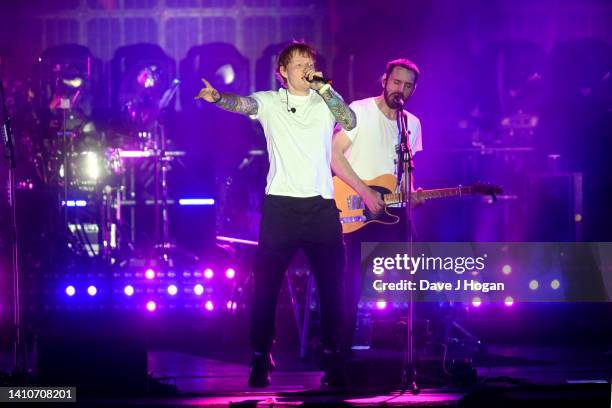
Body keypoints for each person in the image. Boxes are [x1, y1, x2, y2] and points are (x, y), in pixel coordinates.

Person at [195, 41, 356, 388]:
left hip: (321, 207)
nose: (305, 68)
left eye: (309, 62)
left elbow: (349, 119)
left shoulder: (326, 100)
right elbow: (243, 104)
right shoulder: (270, 102)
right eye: (298, 63)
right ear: (282, 72)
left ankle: (334, 356)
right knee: (266, 287)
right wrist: (219, 98)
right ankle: (260, 355)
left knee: (332, 289)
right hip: (281, 208)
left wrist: (325, 88)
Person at [331, 58, 422, 353]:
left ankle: (420, 342)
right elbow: (334, 156)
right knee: (350, 283)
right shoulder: (358, 111)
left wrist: (412, 194)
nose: (401, 90)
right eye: (396, 82)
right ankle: (339, 352)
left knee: (424, 263)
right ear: (384, 80)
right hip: (355, 209)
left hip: (389, 212)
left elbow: (407, 172)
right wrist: (366, 192)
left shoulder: (413, 124)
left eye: (408, 86)